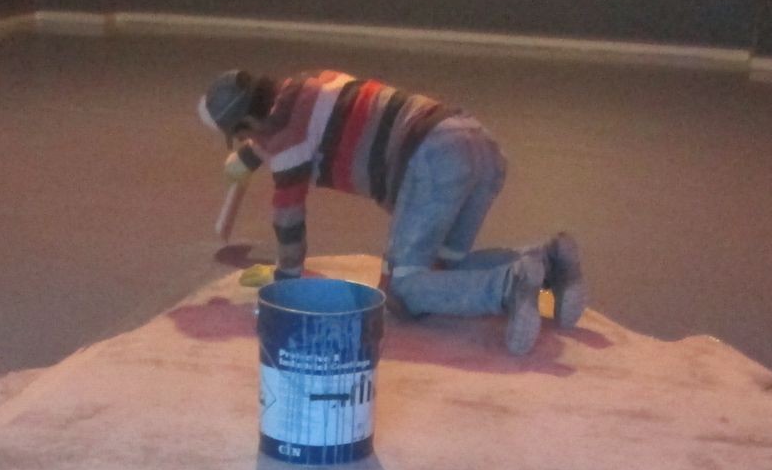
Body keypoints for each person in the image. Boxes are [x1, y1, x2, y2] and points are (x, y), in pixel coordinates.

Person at [198, 68, 585, 355]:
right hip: (476, 144)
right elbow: (301, 125)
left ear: (250, 123)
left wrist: (284, 284)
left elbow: (289, 220)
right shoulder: (310, 83)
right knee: (441, 270)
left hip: (433, 158)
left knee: (403, 290)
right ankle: (549, 261)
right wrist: (250, 155)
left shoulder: (286, 145)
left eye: (245, 136)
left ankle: (510, 285)